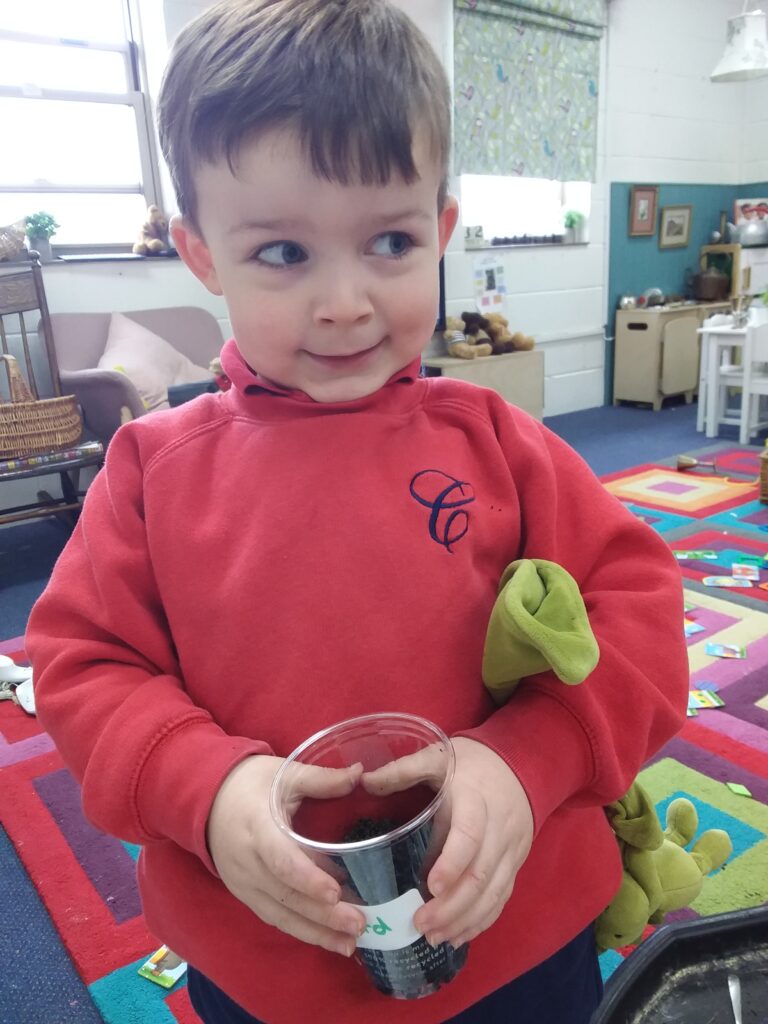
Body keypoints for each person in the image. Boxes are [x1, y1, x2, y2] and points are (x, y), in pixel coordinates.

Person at [25, 2, 689, 1022]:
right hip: (272, 957)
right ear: (202, 254)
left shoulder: (498, 442)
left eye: (389, 240)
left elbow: (639, 609)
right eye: (284, 254)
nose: (345, 301)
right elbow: (81, 665)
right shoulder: (153, 470)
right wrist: (205, 787)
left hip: (517, 928)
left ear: (442, 233)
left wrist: (531, 762)